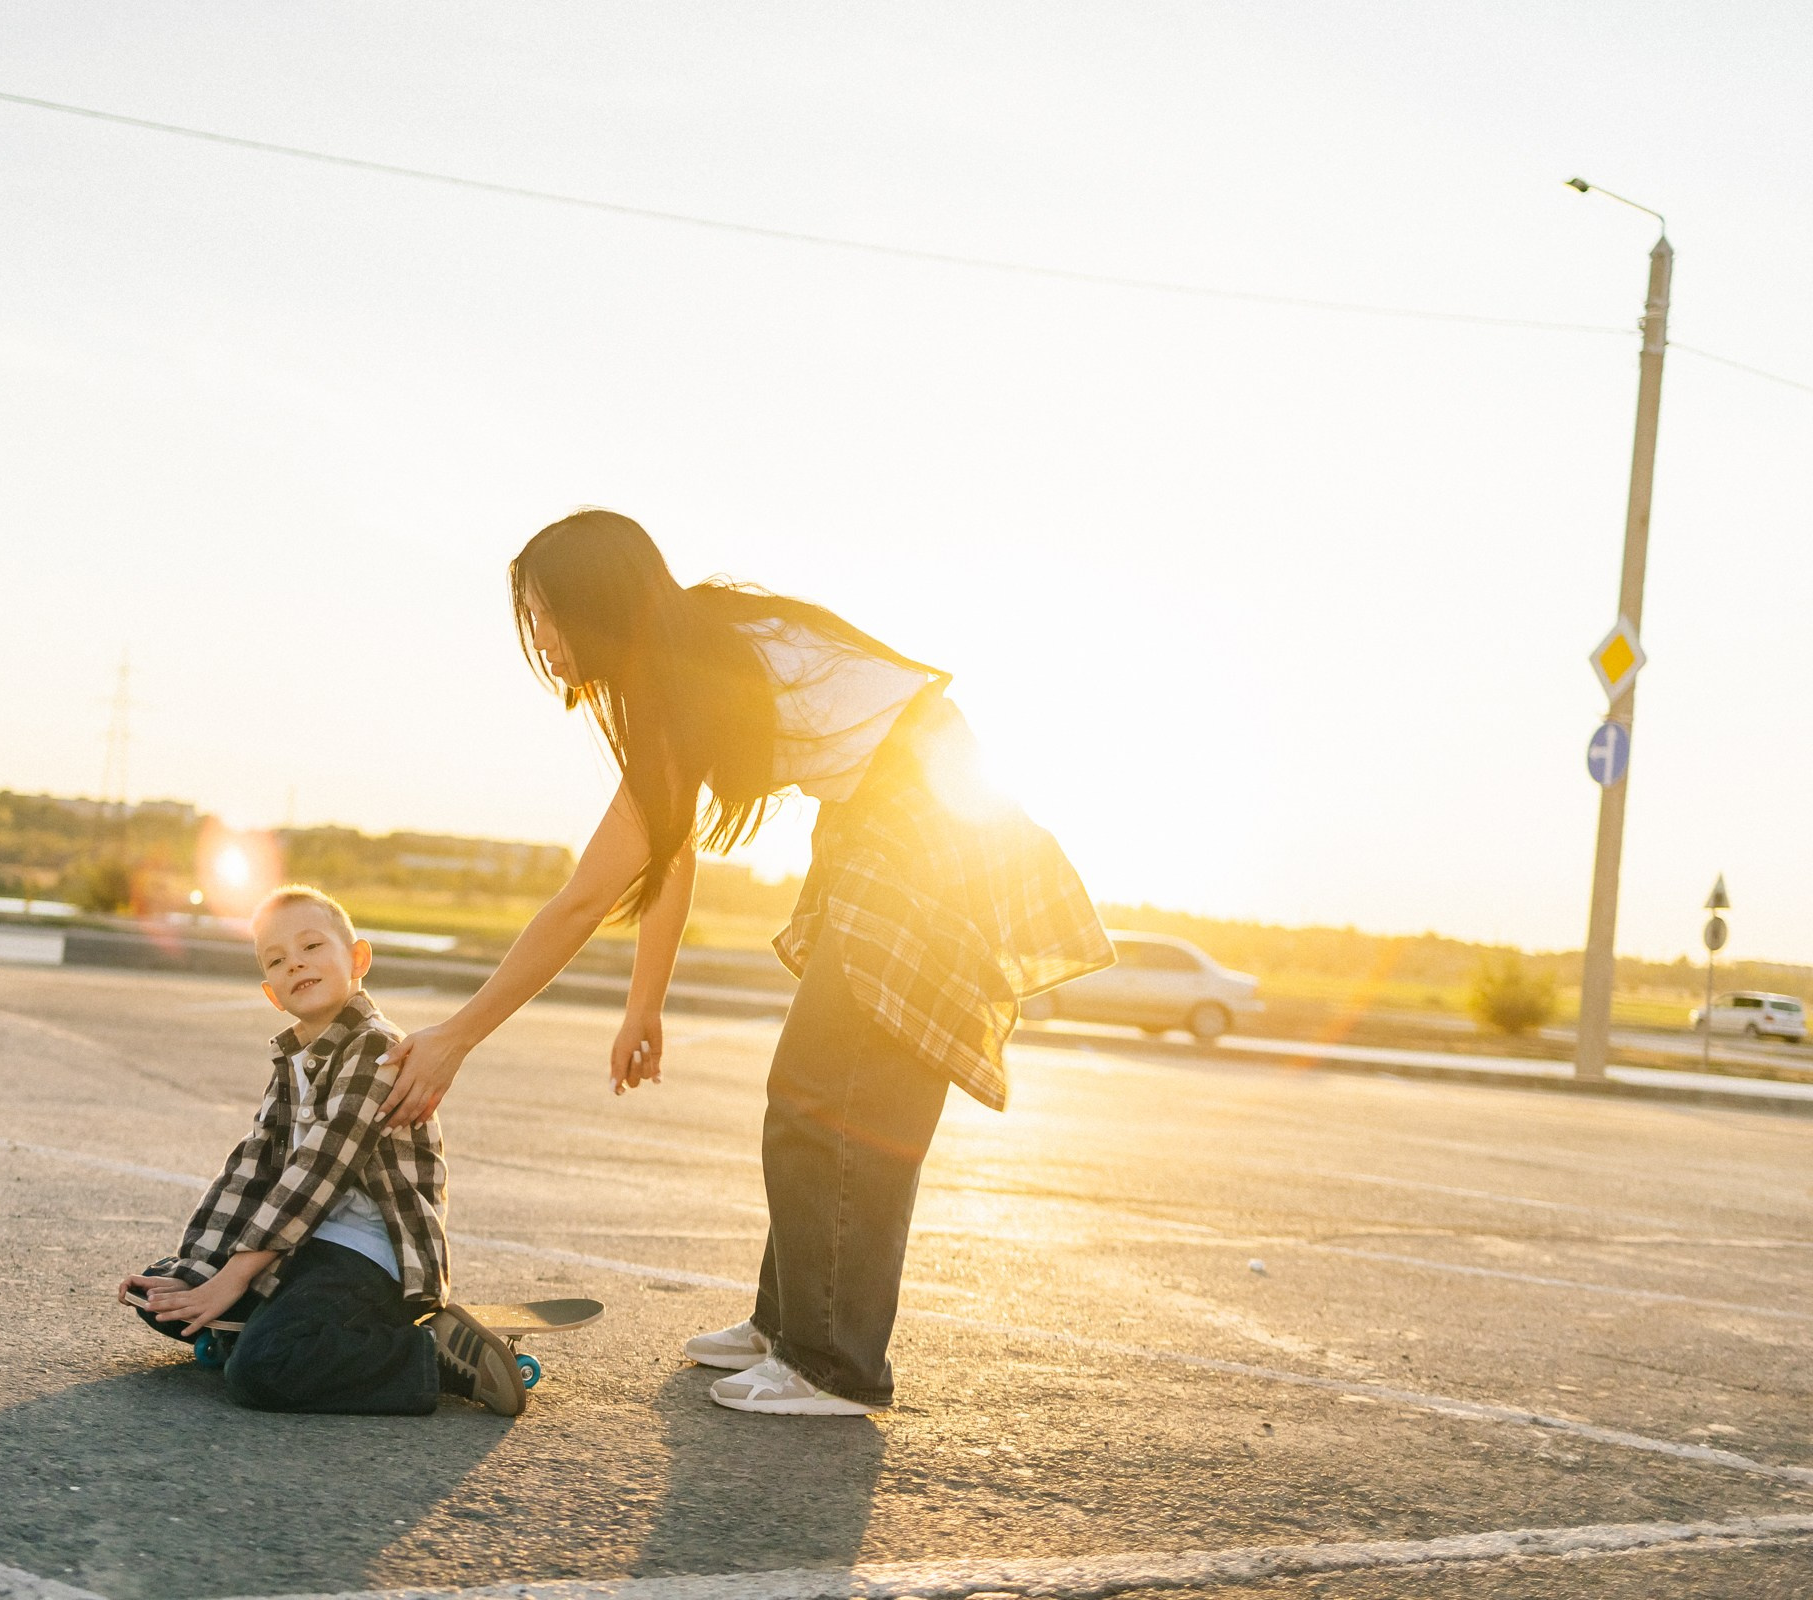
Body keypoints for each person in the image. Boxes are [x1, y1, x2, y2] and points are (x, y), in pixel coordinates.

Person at [379, 509, 1111, 1416]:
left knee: (834, 1089)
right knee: (819, 1088)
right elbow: (667, 858)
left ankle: (834, 1364)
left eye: (544, 615)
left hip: (926, 824)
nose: (539, 641)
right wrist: (644, 1005)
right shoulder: (684, 661)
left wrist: (456, 1037)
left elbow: (582, 899)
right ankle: (790, 1326)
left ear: (591, 605)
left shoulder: (687, 675)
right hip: (888, 816)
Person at [117, 886, 529, 1417]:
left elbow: (318, 1173)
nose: (296, 964)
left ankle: (429, 1356)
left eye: (311, 947)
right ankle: (280, 1330)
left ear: (357, 959)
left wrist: (234, 1278)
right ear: (272, 993)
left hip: (369, 1253)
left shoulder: (378, 1050)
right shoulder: (294, 1058)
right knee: (165, 1293)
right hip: (303, 1242)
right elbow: (252, 1165)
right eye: (278, 959)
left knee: (262, 1371)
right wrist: (203, 1267)